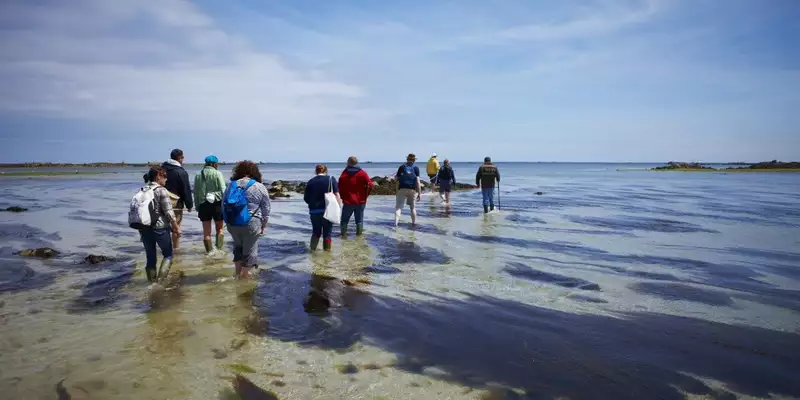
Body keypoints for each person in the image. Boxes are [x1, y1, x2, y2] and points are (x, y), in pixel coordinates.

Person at [223, 161, 271, 279]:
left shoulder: (231, 185)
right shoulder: (259, 186)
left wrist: (227, 222)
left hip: (233, 222)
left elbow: (223, 204)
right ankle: (245, 278)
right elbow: (266, 209)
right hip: (252, 222)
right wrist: (264, 226)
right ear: (254, 172)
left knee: (238, 247)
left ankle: (237, 273)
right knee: (250, 250)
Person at [139, 167, 181, 283]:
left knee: (150, 257)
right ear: (158, 176)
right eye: (165, 176)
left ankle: (151, 284)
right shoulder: (161, 190)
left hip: (144, 227)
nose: (166, 179)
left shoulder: (142, 189)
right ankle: (160, 283)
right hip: (160, 227)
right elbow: (169, 211)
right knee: (168, 255)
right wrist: (176, 227)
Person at [304, 164, 342, 251]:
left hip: (314, 211)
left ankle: (312, 252)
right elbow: (337, 194)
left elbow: (306, 199)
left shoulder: (310, 181)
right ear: (326, 171)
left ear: (315, 171)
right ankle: (327, 256)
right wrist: (339, 207)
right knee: (327, 234)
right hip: (327, 210)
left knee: (316, 233)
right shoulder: (331, 179)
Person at [194, 154, 227, 254]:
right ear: (215, 164)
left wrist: (197, 206)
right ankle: (219, 251)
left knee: (206, 232)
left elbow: (196, 192)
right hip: (217, 204)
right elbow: (223, 190)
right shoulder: (218, 173)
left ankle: (209, 253)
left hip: (204, 205)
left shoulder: (198, 175)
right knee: (220, 229)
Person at [162, 149, 193, 249]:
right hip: (175, 203)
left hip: (160, 201)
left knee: (162, 226)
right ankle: (175, 250)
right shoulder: (181, 172)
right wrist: (189, 205)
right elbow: (186, 190)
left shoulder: (161, 169)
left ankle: (165, 249)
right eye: (183, 157)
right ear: (180, 158)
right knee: (176, 227)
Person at [338, 156, 374, 237]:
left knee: (344, 220)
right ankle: (359, 237)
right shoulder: (362, 173)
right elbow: (371, 185)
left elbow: (339, 186)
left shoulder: (345, 173)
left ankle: (343, 237)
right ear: (356, 163)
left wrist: (342, 197)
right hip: (360, 200)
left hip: (348, 201)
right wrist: (365, 195)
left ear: (348, 162)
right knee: (359, 220)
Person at [395, 153, 422, 226]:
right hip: (412, 190)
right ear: (414, 160)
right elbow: (418, 182)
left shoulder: (401, 167)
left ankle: (396, 224)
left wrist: (396, 191)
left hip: (402, 189)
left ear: (407, 159)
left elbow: (396, 179)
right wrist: (419, 193)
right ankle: (414, 223)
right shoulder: (416, 168)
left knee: (399, 207)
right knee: (412, 208)